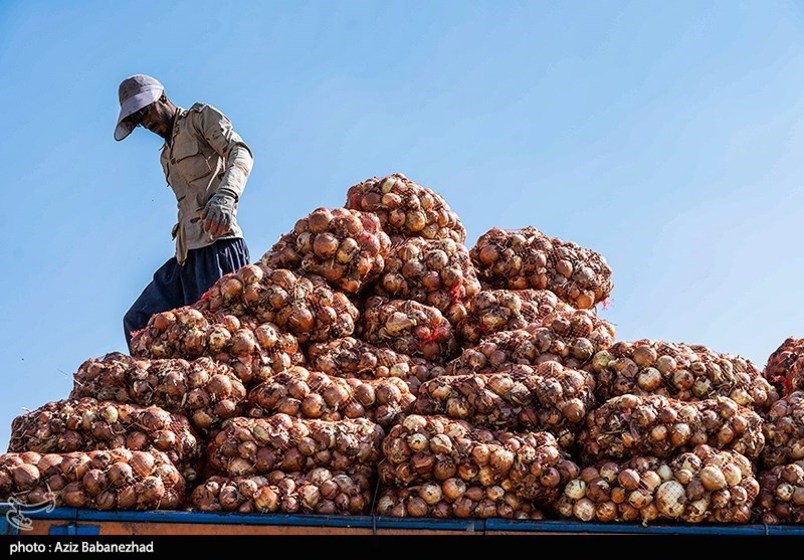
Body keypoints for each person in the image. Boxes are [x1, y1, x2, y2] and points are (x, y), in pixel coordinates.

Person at [115, 74, 253, 350]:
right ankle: (160, 386)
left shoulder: (199, 119)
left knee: (218, 335)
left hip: (217, 246)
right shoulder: (165, 154)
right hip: (187, 256)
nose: (146, 122)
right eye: (139, 119)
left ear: (163, 99)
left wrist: (226, 196)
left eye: (147, 112)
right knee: (137, 320)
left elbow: (240, 151)